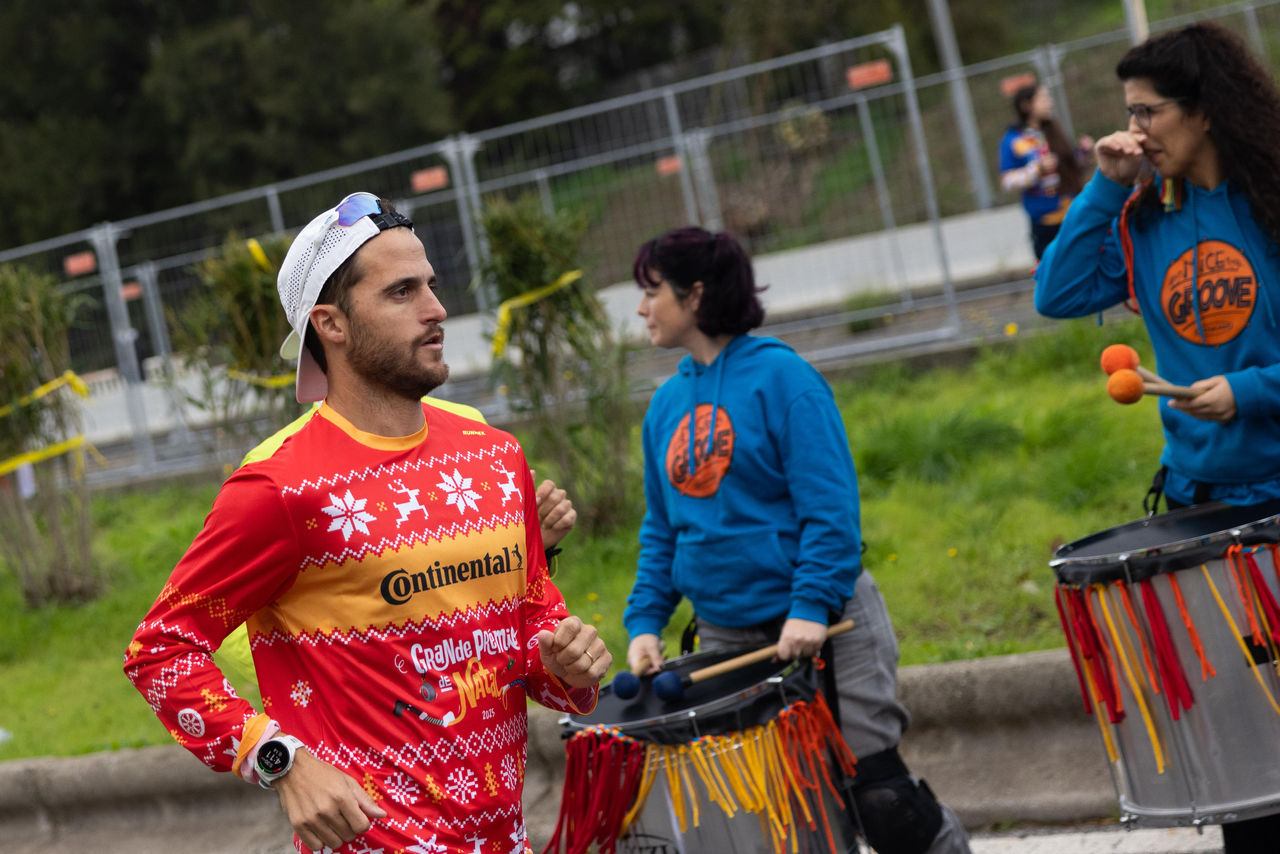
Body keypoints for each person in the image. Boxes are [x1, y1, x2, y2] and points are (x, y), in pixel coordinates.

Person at [124, 192, 609, 854]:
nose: (436, 309)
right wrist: (278, 759)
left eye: (431, 286)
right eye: (402, 292)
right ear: (333, 324)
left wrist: (566, 664)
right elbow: (162, 649)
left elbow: (530, 621)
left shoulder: (493, 452)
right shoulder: (279, 487)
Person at [622, 226, 971, 854]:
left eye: (652, 292)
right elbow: (662, 529)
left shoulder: (786, 380)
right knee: (785, 817)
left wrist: (810, 606)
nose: (643, 308)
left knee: (881, 800)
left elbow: (831, 513)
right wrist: (646, 622)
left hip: (825, 628)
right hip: (729, 637)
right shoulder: (666, 405)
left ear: (695, 294)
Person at [1034, 22, 1280, 851]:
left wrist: (1249, 392)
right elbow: (1059, 293)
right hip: (1203, 520)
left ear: (1204, 111)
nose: (1133, 130)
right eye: (1126, 113)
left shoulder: (1272, 203)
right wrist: (1103, 188)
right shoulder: (1143, 220)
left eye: (1149, 113)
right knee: (1254, 779)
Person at [214, 396, 579, 698]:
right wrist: (342, 676)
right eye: (398, 302)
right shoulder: (274, 463)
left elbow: (469, 570)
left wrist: (531, 545)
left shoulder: (469, 423)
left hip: (481, 714)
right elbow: (233, 628)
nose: (434, 312)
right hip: (369, 733)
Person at [999, 83, 1094, 260]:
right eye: (1043, 98)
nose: (1049, 103)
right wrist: (1037, 171)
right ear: (1026, 105)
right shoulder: (1013, 139)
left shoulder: (1053, 131)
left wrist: (1084, 153)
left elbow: (1071, 166)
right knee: (1050, 273)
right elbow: (1007, 181)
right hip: (1045, 221)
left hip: (1073, 214)